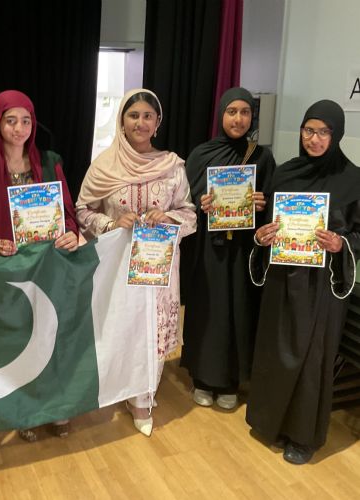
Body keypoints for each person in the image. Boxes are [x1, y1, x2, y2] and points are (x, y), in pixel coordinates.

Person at [76, 88, 196, 436]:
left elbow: (190, 214)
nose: (140, 123)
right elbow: (82, 210)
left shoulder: (172, 167)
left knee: (152, 328)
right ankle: (117, 385)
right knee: (120, 326)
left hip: (158, 268)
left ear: (157, 123)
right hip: (116, 267)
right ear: (122, 121)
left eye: (148, 116)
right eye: (133, 116)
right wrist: (112, 223)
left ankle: (143, 397)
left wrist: (168, 217)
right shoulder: (104, 166)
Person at [246, 99, 360, 464]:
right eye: (309, 130)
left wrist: (342, 243)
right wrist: (261, 235)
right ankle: (271, 422)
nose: (314, 139)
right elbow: (269, 223)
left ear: (336, 135)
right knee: (275, 350)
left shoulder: (353, 179)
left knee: (313, 358)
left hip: (322, 286)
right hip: (283, 277)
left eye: (324, 132)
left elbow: (359, 234)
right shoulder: (285, 173)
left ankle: (302, 436)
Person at [0, 89, 78, 441]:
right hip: (9, 271)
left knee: (53, 335)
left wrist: (71, 233)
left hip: (49, 266)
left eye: (26, 121)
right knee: (18, 342)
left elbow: (67, 211)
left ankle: (57, 405)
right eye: (11, 121)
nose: (19, 128)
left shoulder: (49, 161)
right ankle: (25, 410)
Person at [180, 87, 276, 410]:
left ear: (252, 117)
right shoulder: (201, 154)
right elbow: (184, 202)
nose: (238, 119)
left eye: (245, 112)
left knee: (239, 309)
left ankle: (232, 380)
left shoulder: (262, 157)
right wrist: (201, 202)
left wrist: (262, 203)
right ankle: (203, 378)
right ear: (221, 114)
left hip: (243, 249)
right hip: (210, 249)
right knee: (209, 309)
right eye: (232, 112)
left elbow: (273, 204)